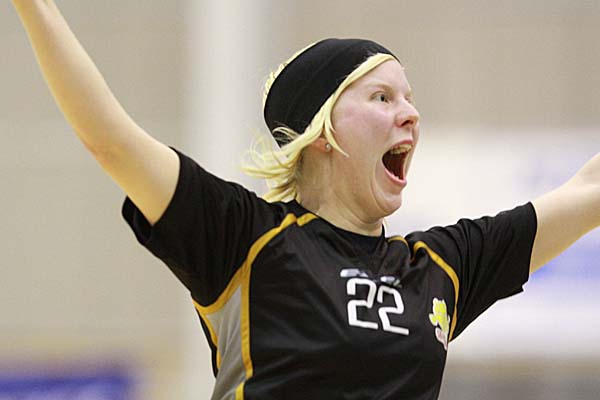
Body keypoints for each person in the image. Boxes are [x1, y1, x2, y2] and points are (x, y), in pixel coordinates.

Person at [11, 1, 600, 399]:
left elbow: (587, 192)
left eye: (410, 98)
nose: (410, 114)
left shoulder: (440, 267)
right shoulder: (247, 239)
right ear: (323, 132)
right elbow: (109, 139)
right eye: (382, 97)